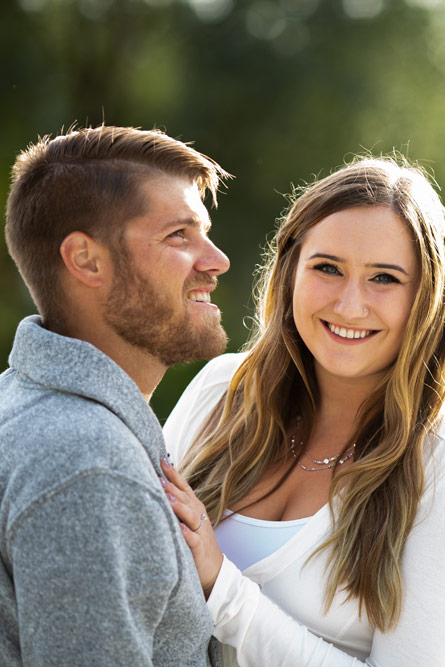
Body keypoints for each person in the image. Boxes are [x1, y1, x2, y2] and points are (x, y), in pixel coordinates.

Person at [160, 157, 445, 667]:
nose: (350, 305)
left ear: (427, 299)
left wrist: (220, 588)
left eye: (384, 278)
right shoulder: (223, 390)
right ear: (290, 271)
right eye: (328, 268)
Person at [0, 125, 231, 666]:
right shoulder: (88, 463)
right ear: (85, 260)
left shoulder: (23, 407)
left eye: (206, 232)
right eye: (179, 235)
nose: (216, 260)